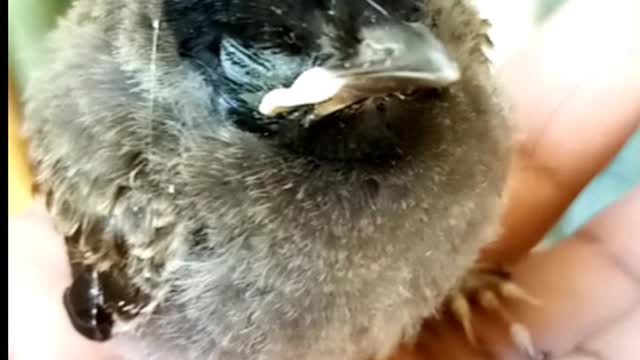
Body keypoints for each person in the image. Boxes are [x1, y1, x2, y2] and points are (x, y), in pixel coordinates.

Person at [8, 1, 639, 359]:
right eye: (275, 50)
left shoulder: (443, 69)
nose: (414, 53)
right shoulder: (150, 180)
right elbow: (101, 311)